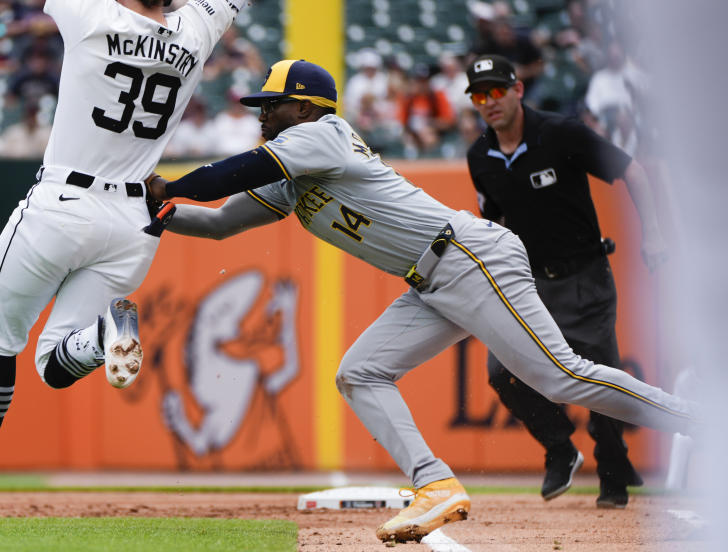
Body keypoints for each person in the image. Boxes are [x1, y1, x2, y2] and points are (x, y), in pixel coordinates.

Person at [145, 59, 700, 543]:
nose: (261, 115)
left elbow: (238, 170)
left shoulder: (325, 135)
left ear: (305, 108)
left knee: (561, 377)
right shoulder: (293, 172)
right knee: (361, 372)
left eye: (272, 105)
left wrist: (171, 185)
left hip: (470, 256)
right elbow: (218, 223)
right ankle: (434, 484)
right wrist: (161, 212)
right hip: (431, 279)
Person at [0, 0, 277, 523]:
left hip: (61, 204)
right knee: (53, 364)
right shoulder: (196, 33)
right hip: (132, 223)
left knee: (0, 340)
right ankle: (101, 337)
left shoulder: (92, 15)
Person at [464, 54, 665, 508]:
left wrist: (652, 234)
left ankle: (614, 472)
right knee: (502, 372)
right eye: (480, 95)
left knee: (604, 383)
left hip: (585, 277)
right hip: (528, 284)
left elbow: (631, 169)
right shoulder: (481, 157)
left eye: (497, 90)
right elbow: (491, 222)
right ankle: (559, 447)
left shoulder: (561, 133)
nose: (489, 102)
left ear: (517, 89)